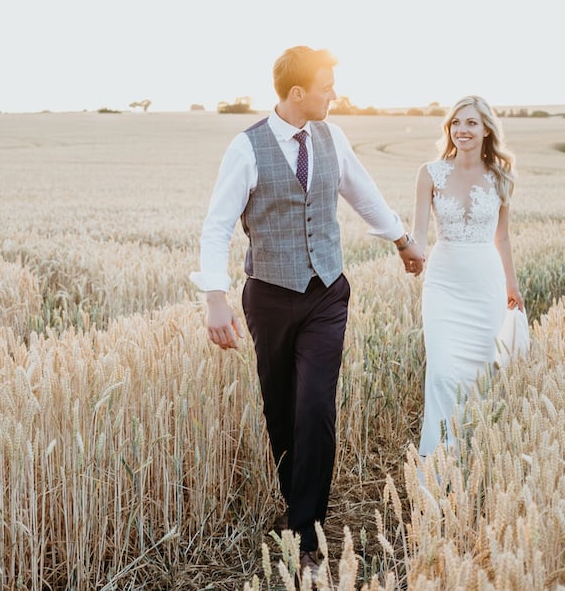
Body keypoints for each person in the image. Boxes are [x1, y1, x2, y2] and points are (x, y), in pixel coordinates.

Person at [191, 46, 425, 577]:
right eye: (326, 86)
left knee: (316, 408)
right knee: (281, 411)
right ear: (297, 93)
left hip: (326, 294)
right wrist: (215, 297)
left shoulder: (332, 137)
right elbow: (217, 225)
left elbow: (363, 195)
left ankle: (306, 535)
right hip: (270, 297)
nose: (333, 94)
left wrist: (402, 240)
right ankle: (297, 505)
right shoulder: (246, 148)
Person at [411, 95, 522, 456]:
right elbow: (419, 235)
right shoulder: (429, 173)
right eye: (456, 123)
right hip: (443, 286)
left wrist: (512, 286)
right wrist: (404, 247)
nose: (462, 130)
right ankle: (438, 469)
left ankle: (475, 465)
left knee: (481, 378)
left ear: (487, 128)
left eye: (471, 123)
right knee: (443, 374)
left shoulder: (501, 178)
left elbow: (502, 238)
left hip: (486, 286)